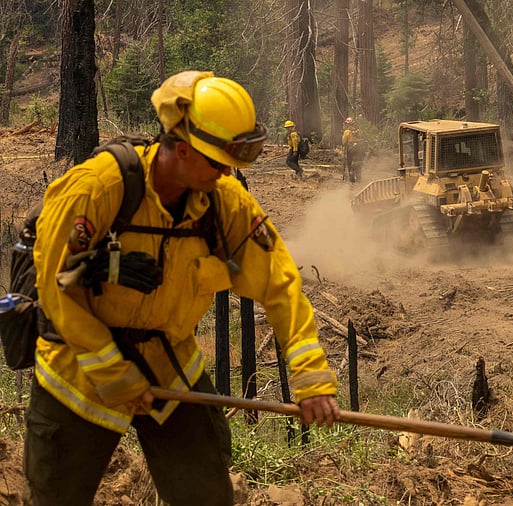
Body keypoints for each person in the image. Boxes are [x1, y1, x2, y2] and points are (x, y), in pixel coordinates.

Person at [25, 70, 340, 505]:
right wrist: (113, 371)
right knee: (56, 495)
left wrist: (310, 373)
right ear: (179, 148)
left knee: (205, 491)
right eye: (216, 161)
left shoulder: (221, 199)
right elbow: (56, 286)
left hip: (169, 362)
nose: (227, 173)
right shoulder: (98, 188)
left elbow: (280, 281)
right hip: (77, 371)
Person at [341, 116, 361, 182]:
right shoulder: (357, 131)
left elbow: (344, 141)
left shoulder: (347, 131)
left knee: (349, 162)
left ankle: (351, 175)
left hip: (350, 148)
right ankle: (358, 176)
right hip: (358, 147)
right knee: (357, 161)